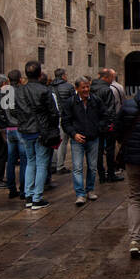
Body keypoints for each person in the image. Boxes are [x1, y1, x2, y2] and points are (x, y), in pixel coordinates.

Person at [14, 60, 60, 210]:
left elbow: (15, 111)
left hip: (25, 131)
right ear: (40, 74)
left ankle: (28, 194)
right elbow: (53, 113)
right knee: (41, 164)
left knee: (30, 162)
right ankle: (37, 198)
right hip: (41, 131)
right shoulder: (44, 90)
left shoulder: (19, 90)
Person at [60, 76, 105, 205]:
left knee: (92, 166)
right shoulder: (70, 102)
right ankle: (80, 194)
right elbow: (66, 121)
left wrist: (99, 129)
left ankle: (90, 190)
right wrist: (74, 134)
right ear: (77, 88)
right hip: (77, 139)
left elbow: (105, 116)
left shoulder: (95, 100)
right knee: (77, 167)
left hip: (93, 138)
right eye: (83, 87)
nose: (86, 89)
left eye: (87, 87)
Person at [91, 69, 121, 182]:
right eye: (111, 78)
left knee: (98, 150)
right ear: (106, 78)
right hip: (106, 125)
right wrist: (111, 123)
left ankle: (101, 174)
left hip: (95, 124)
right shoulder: (106, 90)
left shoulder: (91, 88)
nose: (112, 80)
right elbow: (110, 109)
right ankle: (111, 174)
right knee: (110, 149)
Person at [3, 68, 22, 198]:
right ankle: (23, 188)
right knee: (25, 159)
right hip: (20, 128)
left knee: (10, 160)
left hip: (9, 129)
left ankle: (11, 188)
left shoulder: (5, 92)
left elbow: (4, 111)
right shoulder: (21, 91)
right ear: (20, 79)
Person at [52, 69, 76, 172]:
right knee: (63, 141)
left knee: (54, 141)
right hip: (64, 116)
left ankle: (53, 164)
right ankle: (60, 166)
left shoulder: (50, 87)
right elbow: (74, 102)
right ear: (63, 76)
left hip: (53, 117)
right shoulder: (69, 86)